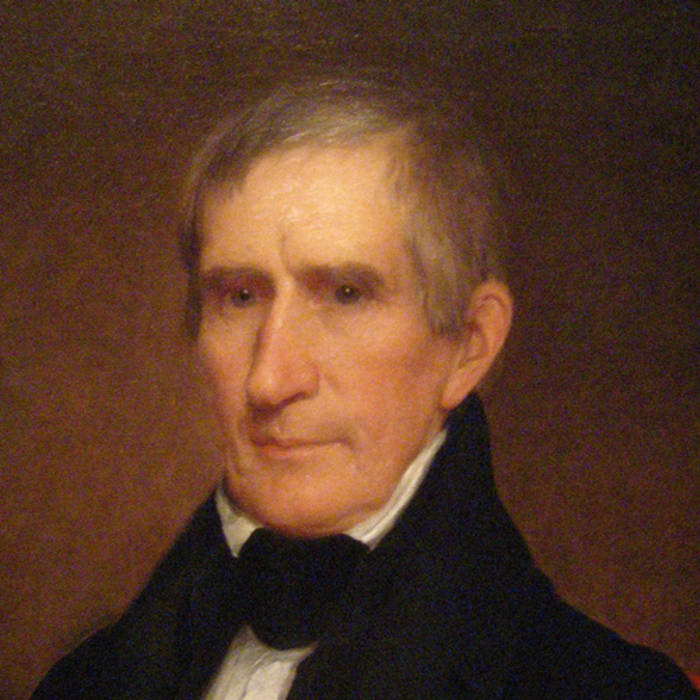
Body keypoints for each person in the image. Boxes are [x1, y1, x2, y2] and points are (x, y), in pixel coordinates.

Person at [32, 70, 698, 699]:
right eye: (239, 297)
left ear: (469, 345)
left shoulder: (607, 687)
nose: (270, 379)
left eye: (346, 294)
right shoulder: (85, 683)